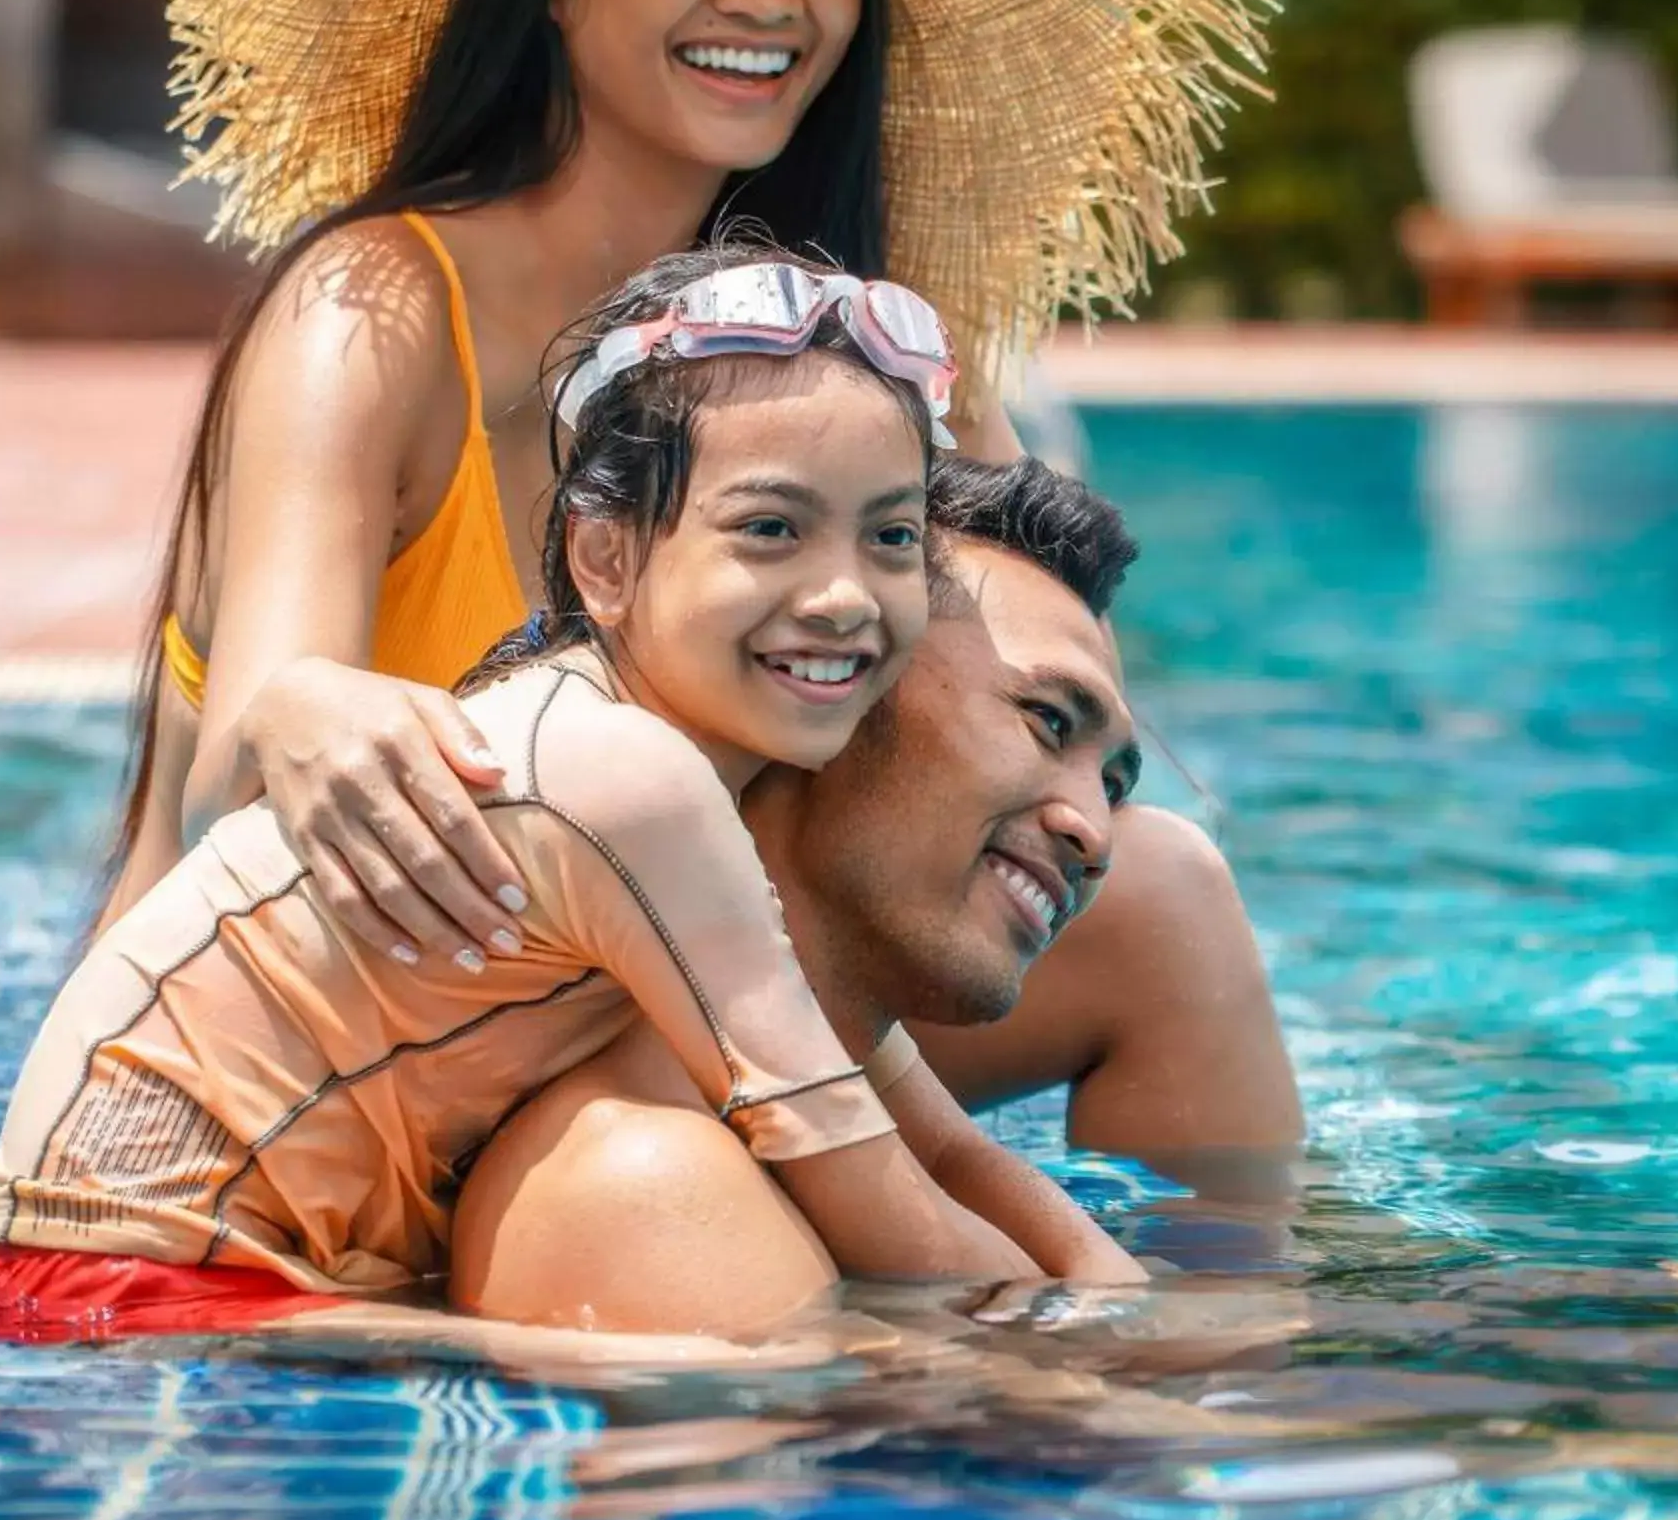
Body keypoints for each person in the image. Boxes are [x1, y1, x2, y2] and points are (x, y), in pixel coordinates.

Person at [105, 0, 1297, 1173]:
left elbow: (1026, 710)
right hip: (342, 1047)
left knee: (1169, 901)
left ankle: (1227, 1356)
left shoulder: (864, 343)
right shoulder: (374, 311)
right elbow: (238, 768)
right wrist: (299, 704)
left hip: (675, 996)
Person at [0, 244, 1126, 1343]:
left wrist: (1119, 1291)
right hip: (120, 1285)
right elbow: (857, 1168)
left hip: (154, 1271)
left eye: (891, 538)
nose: (843, 596)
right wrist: (1087, 1364)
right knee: (772, 1362)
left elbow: (932, 1133)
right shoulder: (629, 779)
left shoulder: (641, 757)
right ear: (604, 560)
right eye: (771, 529)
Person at [455, 454, 1157, 1335]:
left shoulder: (840, 1077)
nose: (1098, 835)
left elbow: (958, 1163)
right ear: (834, 685)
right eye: (1047, 720)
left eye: (1117, 786)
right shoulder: (648, 1184)